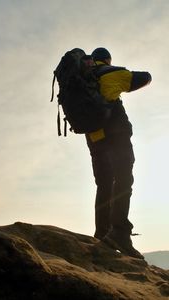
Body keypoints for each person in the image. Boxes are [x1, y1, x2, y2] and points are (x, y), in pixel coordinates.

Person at [86, 47, 152, 259]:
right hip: (116, 135)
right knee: (124, 180)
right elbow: (145, 77)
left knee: (104, 184)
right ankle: (120, 233)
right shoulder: (109, 72)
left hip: (94, 139)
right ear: (106, 60)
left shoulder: (83, 77)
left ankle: (102, 233)